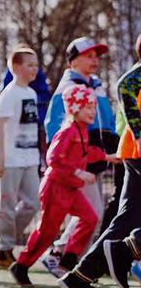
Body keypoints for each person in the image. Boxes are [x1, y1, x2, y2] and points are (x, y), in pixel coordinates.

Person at [58, 35, 141, 288]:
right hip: (137, 151)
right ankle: (128, 247)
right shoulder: (133, 79)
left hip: (132, 153)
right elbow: (125, 84)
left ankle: (81, 277)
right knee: (127, 222)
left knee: (126, 219)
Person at [10, 84, 119, 287]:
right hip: (55, 189)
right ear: (75, 109)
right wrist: (79, 172)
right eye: (88, 107)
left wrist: (108, 157)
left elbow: (87, 152)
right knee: (47, 233)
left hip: (70, 188)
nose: (92, 112)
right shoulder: (68, 131)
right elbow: (53, 159)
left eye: (93, 107)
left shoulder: (83, 130)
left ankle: (68, 260)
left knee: (90, 217)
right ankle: (21, 266)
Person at [41, 37, 117, 272]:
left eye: (96, 56)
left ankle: (60, 253)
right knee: (91, 211)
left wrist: (110, 143)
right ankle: (61, 256)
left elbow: (106, 118)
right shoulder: (68, 87)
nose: (94, 60)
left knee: (91, 211)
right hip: (79, 160)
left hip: (95, 154)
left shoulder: (95, 84)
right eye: (88, 56)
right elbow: (54, 126)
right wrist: (72, 160)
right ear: (73, 61)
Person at [0, 47, 42, 269]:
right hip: (9, 159)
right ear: (17, 68)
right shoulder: (9, 94)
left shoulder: (31, 93)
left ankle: (3, 239)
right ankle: (4, 252)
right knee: (7, 205)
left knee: (33, 203)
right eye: (29, 65)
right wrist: (0, 159)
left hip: (29, 158)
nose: (34, 69)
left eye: (36, 65)